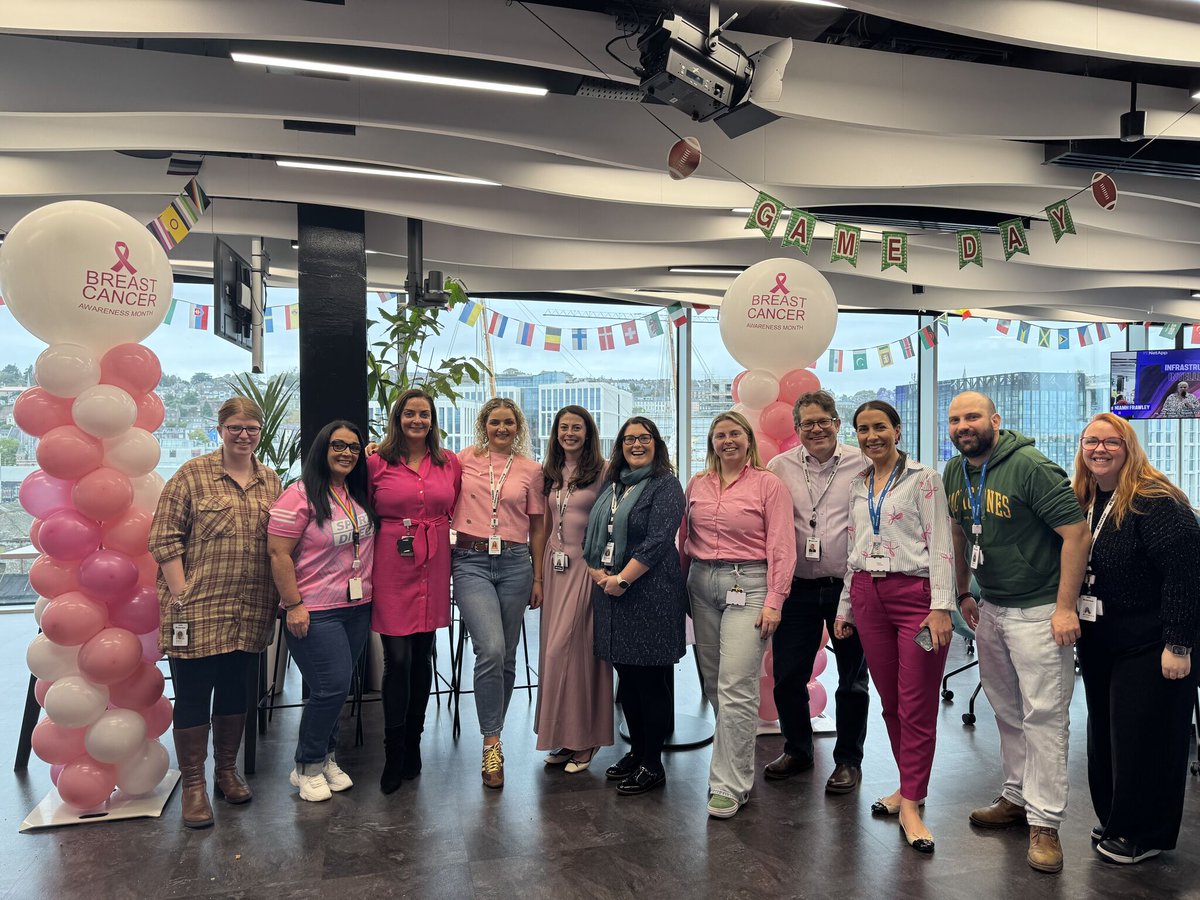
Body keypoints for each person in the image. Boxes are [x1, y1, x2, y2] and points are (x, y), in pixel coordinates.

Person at [943, 391, 1090, 875]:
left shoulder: (1031, 466)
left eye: (972, 417)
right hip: (991, 607)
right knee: (1006, 711)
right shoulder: (954, 471)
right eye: (955, 419)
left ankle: (1045, 824)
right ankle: (1017, 796)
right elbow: (960, 532)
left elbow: (1076, 534)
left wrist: (1065, 608)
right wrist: (962, 590)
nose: (963, 426)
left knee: (1043, 716)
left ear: (996, 420)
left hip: (1040, 611)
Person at [1071, 413, 1200, 864]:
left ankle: (1144, 833)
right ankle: (1116, 818)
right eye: (1091, 441)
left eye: (1112, 442)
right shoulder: (1085, 497)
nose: (1100, 449)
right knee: (1106, 734)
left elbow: (1186, 575)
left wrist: (1178, 644)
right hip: (1101, 637)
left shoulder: (1155, 500)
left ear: (1129, 448)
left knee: (1146, 738)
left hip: (1153, 640)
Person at [148, 396, 283, 829]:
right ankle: (194, 784)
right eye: (235, 427)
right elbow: (163, 538)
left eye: (252, 428)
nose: (244, 435)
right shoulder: (192, 475)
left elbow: (280, 541)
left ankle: (226, 771)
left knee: (234, 691)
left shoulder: (270, 480)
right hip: (198, 607)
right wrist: (182, 592)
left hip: (250, 605)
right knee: (192, 695)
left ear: (260, 432)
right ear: (220, 429)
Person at [832, 401, 955, 853]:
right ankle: (907, 786)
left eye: (880, 427)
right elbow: (855, 548)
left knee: (916, 703)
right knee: (890, 702)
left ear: (897, 430)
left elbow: (942, 544)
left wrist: (942, 606)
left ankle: (913, 803)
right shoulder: (858, 484)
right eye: (863, 429)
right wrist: (845, 607)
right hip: (868, 594)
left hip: (916, 598)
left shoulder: (925, 479)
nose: (872, 436)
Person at [683, 411, 795, 818]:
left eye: (734, 433)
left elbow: (782, 546)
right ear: (711, 442)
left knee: (736, 683)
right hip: (701, 582)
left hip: (749, 584)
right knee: (715, 683)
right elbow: (684, 538)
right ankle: (730, 761)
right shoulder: (698, 483)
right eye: (720, 435)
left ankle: (730, 784)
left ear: (748, 439)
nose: (727, 440)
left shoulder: (768, 484)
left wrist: (775, 600)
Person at [765, 391, 871, 793]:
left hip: (848, 587)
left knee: (852, 680)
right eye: (807, 423)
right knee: (787, 675)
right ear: (796, 428)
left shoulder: (862, 464)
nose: (816, 429)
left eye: (823, 421)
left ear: (837, 423)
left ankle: (848, 760)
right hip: (797, 588)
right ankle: (797, 749)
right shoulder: (779, 467)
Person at [268, 420, 377, 802]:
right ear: (322, 449)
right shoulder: (298, 496)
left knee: (336, 688)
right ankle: (307, 765)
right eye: (338, 445)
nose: (347, 453)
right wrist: (294, 605)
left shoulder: (353, 493)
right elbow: (278, 554)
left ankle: (326, 757)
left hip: (356, 606)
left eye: (354, 447)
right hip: (314, 609)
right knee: (331, 687)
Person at [584, 416, 686, 797]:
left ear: (656, 443)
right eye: (629, 439)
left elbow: (658, 541)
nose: (636, 445)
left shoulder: (666, 485)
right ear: (620, 446)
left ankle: (653, 764)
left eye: (644, 438)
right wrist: (598, 574)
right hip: (611, 593)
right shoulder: (614, 485)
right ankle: (637, 753)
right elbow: (594, 534)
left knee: (650, 681)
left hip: (650, 593)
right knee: (626, 679)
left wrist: (622, 579)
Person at [368, 389, 461, 794]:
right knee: (399, 659)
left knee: (423, 655)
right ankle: (393, 752)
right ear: (398, 418)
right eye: (410, 413)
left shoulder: (449, 462)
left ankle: (413, 744)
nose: (417, 420)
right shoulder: (376, 462)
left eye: (424, 414)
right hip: (391, 560)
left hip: (433, 561)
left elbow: (456, 505)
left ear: (433, 420)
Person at [453, 397, 546, 788]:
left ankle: (496, 732)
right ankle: (491, 742)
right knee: (490, 649)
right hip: (470, 561)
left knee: (506, 655)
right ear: (484, 425)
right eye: (495, 422)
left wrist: (538, 577)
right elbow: (424, 468)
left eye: (509, 422)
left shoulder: (531, 470)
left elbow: (538, 527)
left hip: (514, 563)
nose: (502, 428)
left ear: (518, 427)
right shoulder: (463, 459)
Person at [536, 406, 613, 773]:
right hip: (555, 570)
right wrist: (537, 576)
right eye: (563, 427)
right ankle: (567, 737)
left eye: (576, 427)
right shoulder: (549, 472)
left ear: (588, 432)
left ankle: (587, 738)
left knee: (573, 651)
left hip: (585, 567)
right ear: (556, 433)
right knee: (555, 654)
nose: (569, 433)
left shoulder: (604, 470)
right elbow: (544, 525)